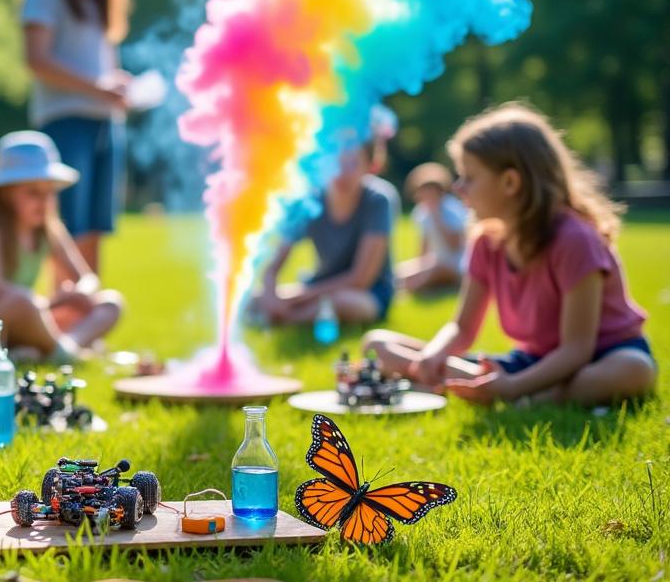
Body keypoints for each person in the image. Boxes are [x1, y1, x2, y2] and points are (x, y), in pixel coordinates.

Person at [363, 103, 656, 406]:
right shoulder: (486, 241)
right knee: (378, 344)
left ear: (510, 183)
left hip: (602, 356)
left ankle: (519, 394)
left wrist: (512, 386)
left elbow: (576, 349)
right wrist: (434, 354)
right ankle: (517, 392)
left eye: (470, 177)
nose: (459, 188)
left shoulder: (575, 240)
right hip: (534, 361)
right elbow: (462, 328)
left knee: (634, 371)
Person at [19, 0, 133, 282]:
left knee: (96, 225)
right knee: (67, 223)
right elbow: (37, 59)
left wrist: (116, 85)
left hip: (105, 123)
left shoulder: (100, 5)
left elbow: (101, 66)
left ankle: (87, 317)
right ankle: (61, 319)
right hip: (65, 122)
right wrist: (98, 87)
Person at [0, 131, 122, 362]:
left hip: (26, 315)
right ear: (5, 193)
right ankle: (58, 351)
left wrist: (79, 293)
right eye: (33, 193)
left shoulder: (48, 228)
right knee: (22, 302)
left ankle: (63, 347)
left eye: (49, 193)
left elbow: (87, 278)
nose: (44, 202)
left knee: (110, 302)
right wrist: (50, 303)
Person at [255, 139, 398, 326]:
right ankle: (284, 315)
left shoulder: (377, 201)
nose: (341, 172)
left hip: (366, 294)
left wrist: (295, 299)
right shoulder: (309, 201)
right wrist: (270, 293)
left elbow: (360, 279)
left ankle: (287, 320)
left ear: (369, 166)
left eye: (353, 163)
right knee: (255, 299)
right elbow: (273, 266)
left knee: (344, 303)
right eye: (335, 163)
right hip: (319, 286)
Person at [396, 162, 468, 293]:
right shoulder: (421, 213)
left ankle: (413, 289)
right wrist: (419, 267)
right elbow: (424, 247)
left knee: (431, 274)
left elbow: (455, 246)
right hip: (435, 261)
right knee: (399, 273)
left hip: (457, 264)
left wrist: (437, 217)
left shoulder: (452, 210)